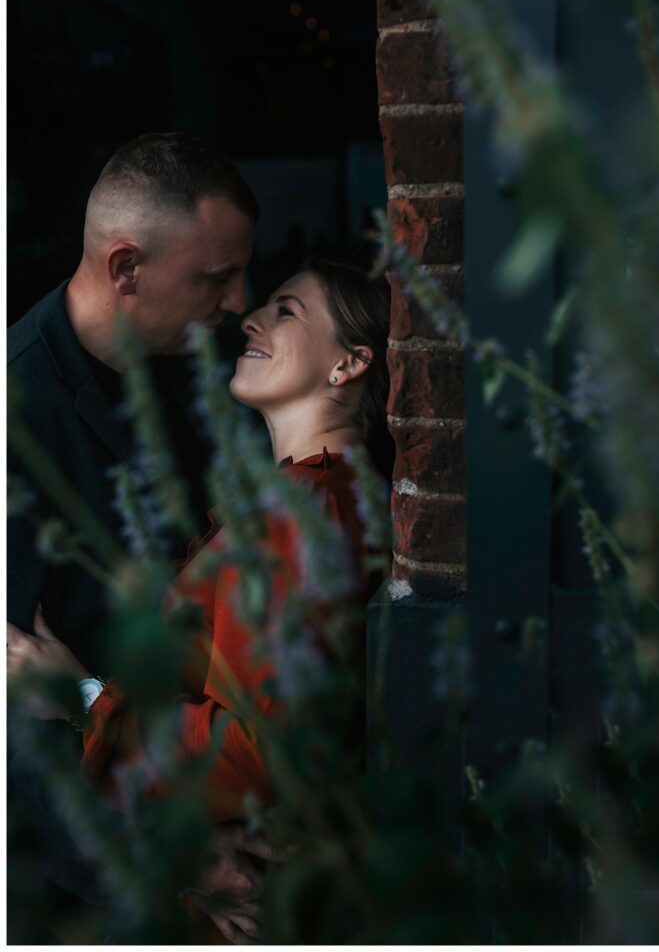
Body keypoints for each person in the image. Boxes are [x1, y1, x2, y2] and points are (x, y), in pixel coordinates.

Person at [8, 258, 392, 942]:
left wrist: (86, 696)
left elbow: (256, 749)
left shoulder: (304, 510)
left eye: (287, 312)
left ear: (348, 365)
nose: (250, 317)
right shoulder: (304, 499)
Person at [6, 132, 270, 940]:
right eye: (215, 278)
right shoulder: (18, 410)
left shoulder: (224, 364)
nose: (239, 302)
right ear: (126, 269)